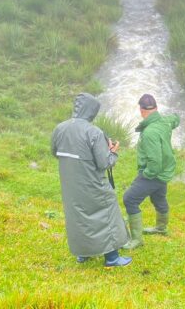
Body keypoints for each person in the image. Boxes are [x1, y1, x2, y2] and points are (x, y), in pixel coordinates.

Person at [51, 93, 132, 268]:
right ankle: (112, 258)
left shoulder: (60, 128)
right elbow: (104, 163)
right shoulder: (94, 132)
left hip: (70, 185)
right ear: (92, 111)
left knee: (78, 217)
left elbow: (55, 153)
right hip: (93, 184)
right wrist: (113, 151)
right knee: (107, 212)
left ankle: (83, 254)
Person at [122, 94, 180, 250]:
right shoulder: (165, 121)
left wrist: (145, 175)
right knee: (158, 197)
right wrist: (175, 117)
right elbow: (176, 118)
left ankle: (136, 240)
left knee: (129, 199)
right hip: (165, 172)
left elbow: (154, 163)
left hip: (154, 174)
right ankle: (161, 228)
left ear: (141, 110)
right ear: (156, 108)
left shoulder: (149, 133)